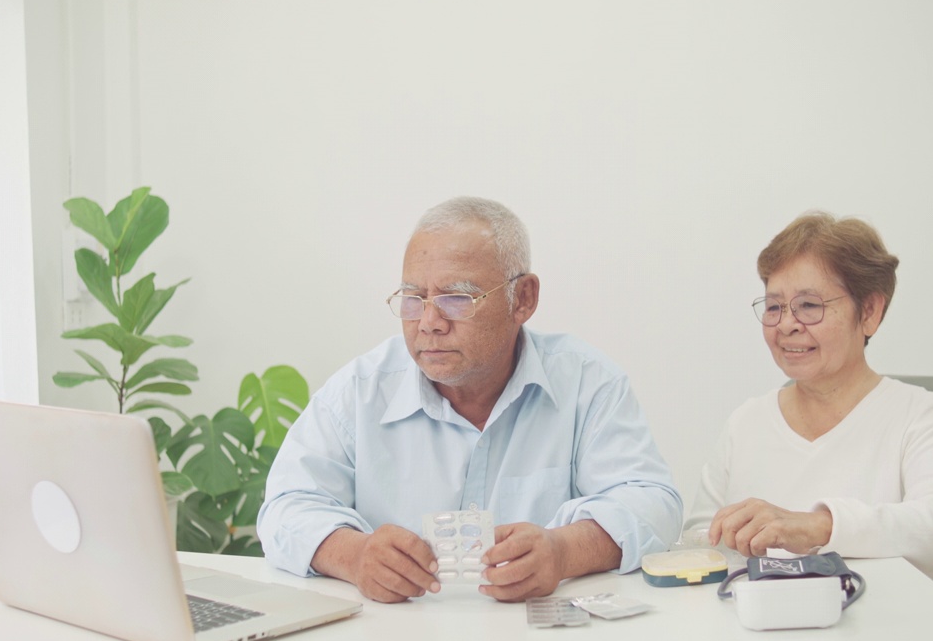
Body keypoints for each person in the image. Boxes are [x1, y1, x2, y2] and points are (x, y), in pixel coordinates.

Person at [257, 196, 682, 603]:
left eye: (456, 298)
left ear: (524, 299)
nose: (429, 323)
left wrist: (562, 551)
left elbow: (653, 504)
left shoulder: (587, 383)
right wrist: (354, 555)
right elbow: (286, 507)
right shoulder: (360, 389)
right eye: (413, 298)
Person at [683, 211, 933, 591]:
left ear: (870, 312)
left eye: (809, 305)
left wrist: (820, 527)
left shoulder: (923, 415)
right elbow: (698, 539)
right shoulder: (746, 423)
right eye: (774, 306)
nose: (787, 323)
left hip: (894, 640)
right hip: (764, 638)